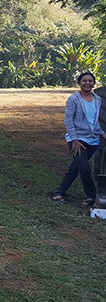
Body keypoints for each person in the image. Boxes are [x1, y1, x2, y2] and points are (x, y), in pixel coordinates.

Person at [53, 72, 101, 205]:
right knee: (84, 168)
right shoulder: (73, 99)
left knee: (75, 168)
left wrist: (102, 133)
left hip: (93, 140)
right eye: (84, 81)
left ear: (94, 83)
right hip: (78, 140)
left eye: (90, 81)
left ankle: (59, 192)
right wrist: (74, 140)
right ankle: (92, 196)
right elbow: (68, 121)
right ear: (79, 83)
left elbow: (95, 122)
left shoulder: (97, 99)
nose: (87, 83)